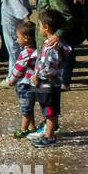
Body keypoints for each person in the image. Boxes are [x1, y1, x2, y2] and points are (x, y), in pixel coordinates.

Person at [29, 9, 69, 148]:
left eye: (40, 25)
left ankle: (49, 136)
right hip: (45, 86)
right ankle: (49, 132)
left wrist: (38, 77)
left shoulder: (53, 47)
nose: (39, 28)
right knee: (48, 110)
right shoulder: (48, 44)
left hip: (49, 86)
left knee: (50, 111)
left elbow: (50, 69)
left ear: (46, 27)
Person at [9, 19, 39, 138]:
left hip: (25, 84)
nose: (17, 39)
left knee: (25, 108)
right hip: (32, 83)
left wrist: (11, 79)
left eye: (18, 37)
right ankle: (32, 127)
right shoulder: (37, 50)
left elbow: (19, 68)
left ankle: (23, 129)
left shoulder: (26, 53)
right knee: (30, 106)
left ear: (26, 38)